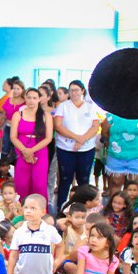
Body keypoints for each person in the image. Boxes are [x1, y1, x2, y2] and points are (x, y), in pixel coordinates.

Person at [7, 194, 64, 274]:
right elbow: (13, 255)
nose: (28, 211)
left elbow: (60, 245)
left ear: (42, 212)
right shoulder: (19, 232)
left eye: (33, 208)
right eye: (26, 207)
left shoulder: (50, 230)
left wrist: (57, 260)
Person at [53, 80, 101, 213]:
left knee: (83, 179)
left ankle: (82, 209)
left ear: (82, 91)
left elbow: (95, 126)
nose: (74, 93)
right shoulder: (63, 106)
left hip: (86, 149)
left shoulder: (90, 107)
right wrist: (76, 138)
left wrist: (82, 140)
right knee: (65, 179)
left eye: (76, 90)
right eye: (71, 90)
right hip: (66, 149)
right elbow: (58, 126)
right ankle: (61, 208)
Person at [10, 88, 53, 201]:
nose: (31, 100)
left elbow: (48, 138)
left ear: (39, 99)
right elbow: (13, 137)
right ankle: (20, 213)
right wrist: (25, 151)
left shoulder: (46, 116)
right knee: (22, 185)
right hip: (21, 151)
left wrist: (31, 151)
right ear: (25, 98)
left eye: (34, 98)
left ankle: (41, 213)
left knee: (39, 185)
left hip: (40, 152)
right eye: (29, 97)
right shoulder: (18, 114)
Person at [100, 113, 138, 198]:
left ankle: (135, 210)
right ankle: (115, 209)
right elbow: (104, 132)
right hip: (116, 156)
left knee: (135, 186)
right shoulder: (112, 116)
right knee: (115, 183)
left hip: (137, 156)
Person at [1, 79, 26, 160]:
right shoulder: (8, 100)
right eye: (14, 88)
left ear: (22, 90)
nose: (15, 91)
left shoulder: (25, 103)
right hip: (8, 128)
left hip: (20, 130)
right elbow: (4, 116)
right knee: (5, 150)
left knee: (17, 153)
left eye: (18, 89)